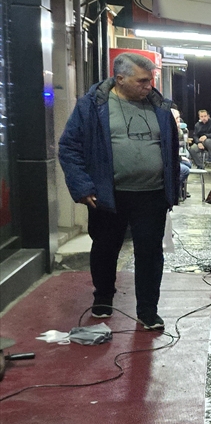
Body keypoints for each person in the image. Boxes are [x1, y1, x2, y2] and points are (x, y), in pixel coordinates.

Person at [58, 52, 180, 329]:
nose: (149, 86)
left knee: (150, 253)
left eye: (150, 80)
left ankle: (148, 311)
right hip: (108, 194)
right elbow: (69, 147)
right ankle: (103, 298)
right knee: (105, 248)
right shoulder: (91, 107)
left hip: (152, 194)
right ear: (120, 78)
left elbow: (170, 149)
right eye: (142, 81)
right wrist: (82, 187)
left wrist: (171, 190)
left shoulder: (159, 107)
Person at [165, 100, 193, 200]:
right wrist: (180, 158)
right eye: (176, 119)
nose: (179, 122)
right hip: (167, 161)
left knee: (188, 163)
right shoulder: (167, 130)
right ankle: (173, 191)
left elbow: (180, 144)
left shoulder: (179, 130)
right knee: (184, 169)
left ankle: (182, 189)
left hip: (176, 156)